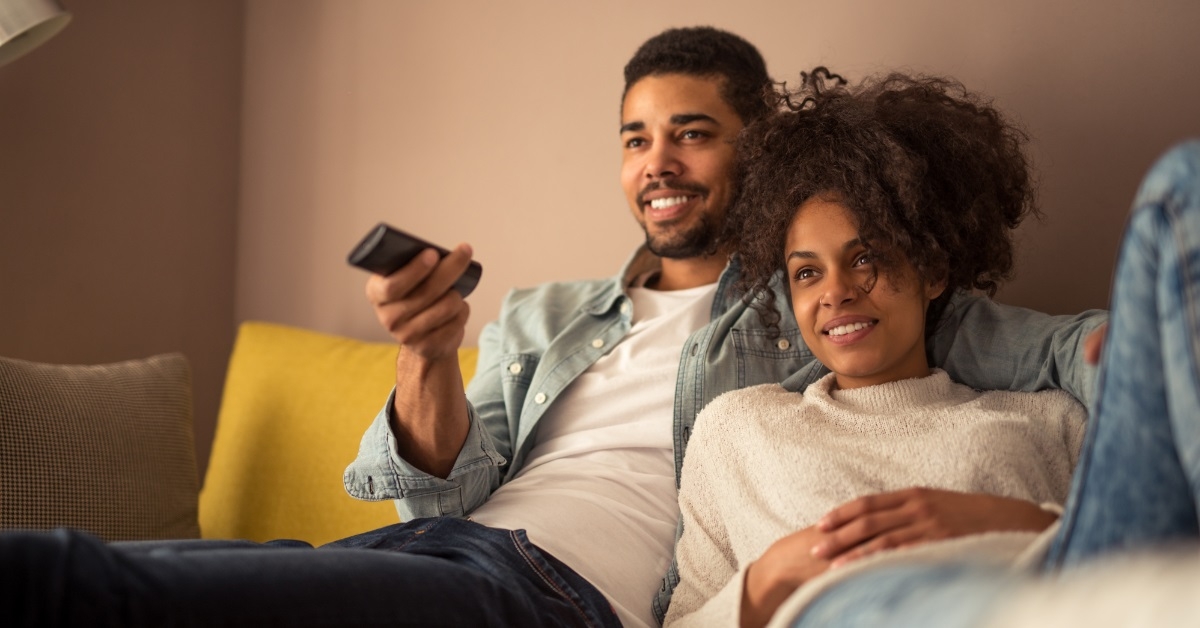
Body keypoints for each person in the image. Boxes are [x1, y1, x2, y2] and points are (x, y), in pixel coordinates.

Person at [0, 28, 1103, 628]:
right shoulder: (547, 315)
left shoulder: (817, 301)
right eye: (634, 138)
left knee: (73, 584)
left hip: (548, 593)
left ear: (759, 145)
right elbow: (439, 490)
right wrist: (427, 353)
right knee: (122, 571)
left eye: (691, 132)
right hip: (431, 555)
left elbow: (1063, 356)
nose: (657, 162)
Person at [663, 68, 1200, 628]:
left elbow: (1126, 550)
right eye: (806, 273)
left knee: (1184, 180)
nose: (835, 292)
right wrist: (765, 581)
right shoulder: (736, 429)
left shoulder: (1050, 419)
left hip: (1053, 594)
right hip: (851, 606)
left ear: (933, 270)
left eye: (865, 258)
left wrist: (1005, 521)